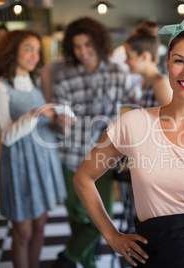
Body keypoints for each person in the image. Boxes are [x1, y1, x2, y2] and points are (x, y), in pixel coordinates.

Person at [73, 12, 184, 268]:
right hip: (153, 258)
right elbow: (83, 178)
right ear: (167, 63)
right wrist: (112, 236)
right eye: (179, 61)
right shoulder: (134, 124)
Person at [52, 17, 141, 268]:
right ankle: (87, 264)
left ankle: (67, 259)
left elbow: (137, 105)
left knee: (102, 218)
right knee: (78, 220)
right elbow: (59, 119)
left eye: (87, 45)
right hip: (70, 156)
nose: (83, 52)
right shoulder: (64, 79)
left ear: (98, 44)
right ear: (70, 48)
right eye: (77, 47)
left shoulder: (117, 72)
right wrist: (60, 122)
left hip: (103, 158)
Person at [0, 29, 67, 268]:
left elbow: (42, 125)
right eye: (29, 49)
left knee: (40, 228)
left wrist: (58, 122)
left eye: (37, 50)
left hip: (44, 161)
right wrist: (36, 113)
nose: (34, 55)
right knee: (23, 233)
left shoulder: (34, 83)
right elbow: (7, 136)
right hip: (20, 164)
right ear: (12, 51)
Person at [125, 20, 172, 108]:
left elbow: (173, 119)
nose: (125, 61)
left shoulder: (160, 84)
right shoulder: (145, 83)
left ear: (144, 56)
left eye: (128, 56)